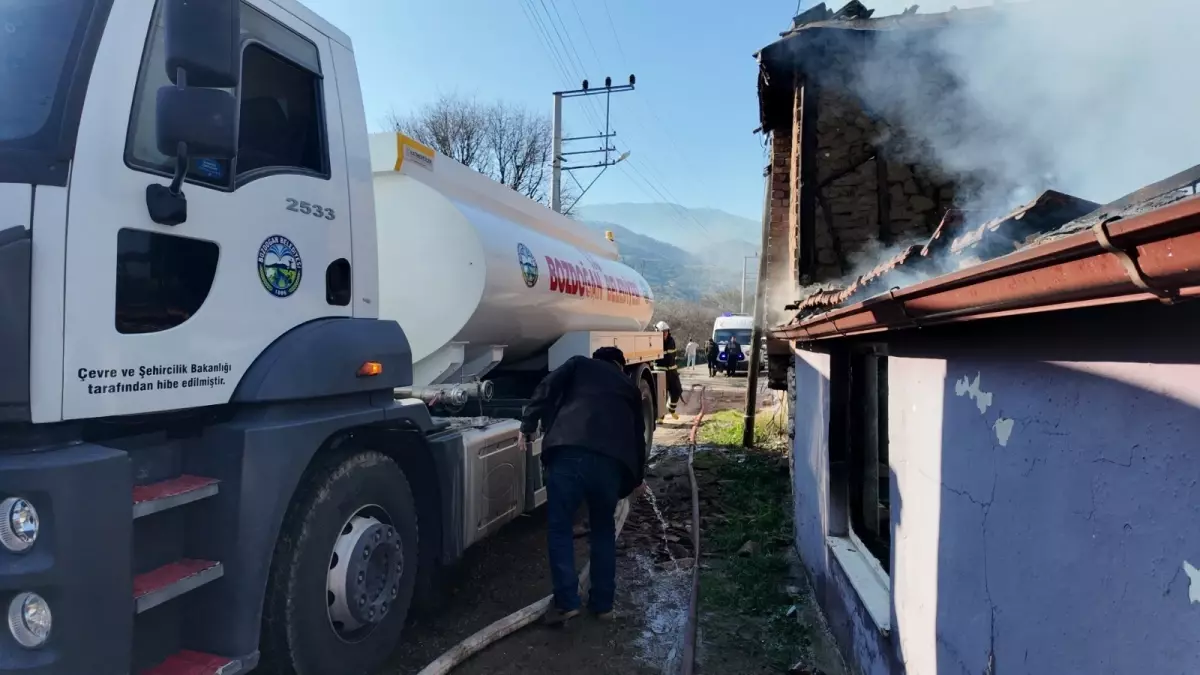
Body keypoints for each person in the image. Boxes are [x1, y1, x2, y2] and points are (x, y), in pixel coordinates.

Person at [518, 346, 647, 625]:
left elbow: (547, 386)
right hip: (610, 467)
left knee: (560, 528)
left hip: (569, 455)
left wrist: (528, 423)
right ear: (620, 366)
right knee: (603, 531)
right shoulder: (629, 387)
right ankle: (602, 606)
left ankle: (567, 603)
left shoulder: (578, 365)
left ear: (596, 359)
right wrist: (636, 480)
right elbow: (639, 437)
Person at [654, 321, 684, 419]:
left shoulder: (671, 341)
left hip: (672, 371)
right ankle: (660, 417)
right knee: (661, 395)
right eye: (662, 332)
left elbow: (673, 355)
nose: (664, 334)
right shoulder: (655, 341)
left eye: (666, 332)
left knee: (677, 390)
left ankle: (671, 409)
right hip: (660, 372)